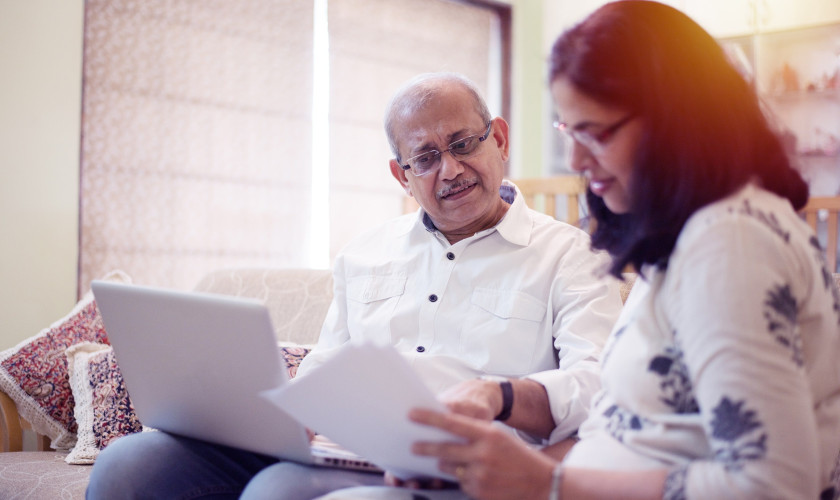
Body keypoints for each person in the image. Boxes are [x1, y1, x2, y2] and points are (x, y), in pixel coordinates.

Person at [316, 2, 840, 499]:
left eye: (596, 132)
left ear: (678, 118)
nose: (573, 159)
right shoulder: (705, 235)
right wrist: (503, 402)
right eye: (568, 129)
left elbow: (773, 487)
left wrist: (545, 485)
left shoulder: (730, 244)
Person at [85, 72, 623, 499]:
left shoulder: (573, 255)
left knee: (280, 491)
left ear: (499, 139)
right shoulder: (363, 252)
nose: (450, 169)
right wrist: (286, 417)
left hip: (461, 464)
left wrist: (502, 396)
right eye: (426, 158)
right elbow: (326, 366)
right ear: (401, 175)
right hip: (340, 446)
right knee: (129, 464)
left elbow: (600, 387)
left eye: (462, 144)